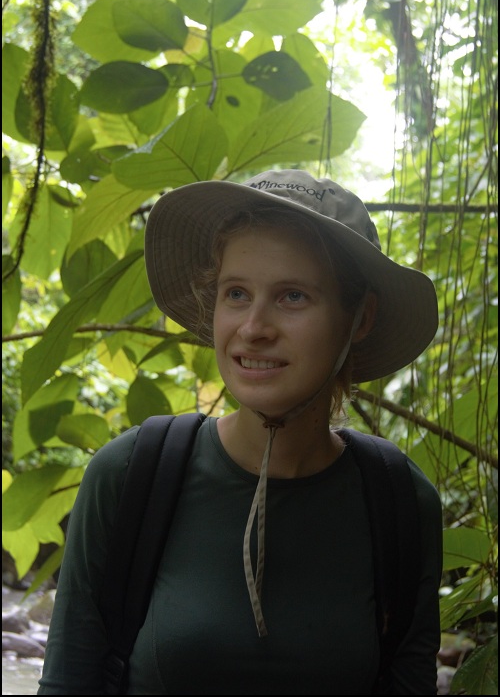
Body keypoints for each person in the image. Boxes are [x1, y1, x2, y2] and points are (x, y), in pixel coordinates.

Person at [37, 169, 443, 695]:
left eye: (292, 296)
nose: (253, 328)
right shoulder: (131, 476)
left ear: (360, 318)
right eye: (236, 293)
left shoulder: (400, 503)